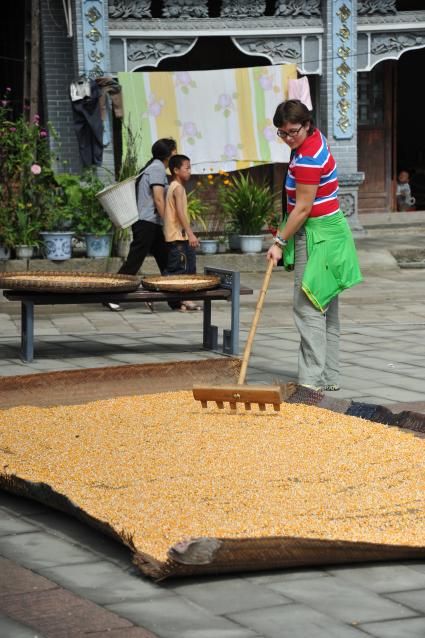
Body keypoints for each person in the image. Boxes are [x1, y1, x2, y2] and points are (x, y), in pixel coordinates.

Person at [267, 99, 363, 391]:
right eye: (282, 133)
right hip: (331, 232)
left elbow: (303, 209)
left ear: (307, 125)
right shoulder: (315, 139)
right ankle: (329, 377)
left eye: (292, 131)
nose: (287, 138)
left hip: (318, 236)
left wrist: (279, 242)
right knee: (325, 306)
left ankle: (310, 385)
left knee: (308, 307)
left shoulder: (308, 156)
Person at [104, 138, 177, 311]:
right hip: (148, 223)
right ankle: (111, 295)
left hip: (151, 223)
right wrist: (168, 221)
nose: (176, 154)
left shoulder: (154, 167)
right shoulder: (158, 168)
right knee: (134, 262)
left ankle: (176, 300)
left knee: (167, 262)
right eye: (175, 151)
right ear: (168, 154)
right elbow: (158, 198)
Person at [163, 154, 201, 311]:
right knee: (179, 269)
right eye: (187, 168)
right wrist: (190, 233)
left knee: (188, 267)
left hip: (179, 235)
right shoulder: (177, 188)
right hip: (177, 236)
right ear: (176, 170)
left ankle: (183, 300)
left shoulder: (174, 186)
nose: (190, 171)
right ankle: (155, 290)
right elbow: (180, 212)